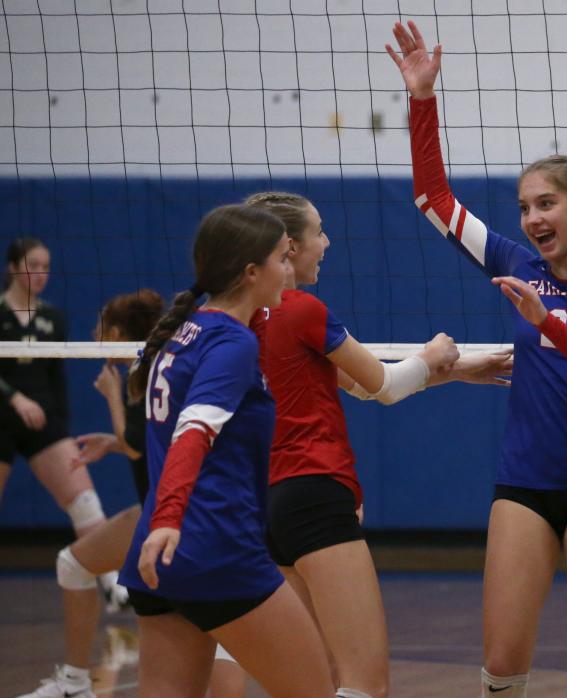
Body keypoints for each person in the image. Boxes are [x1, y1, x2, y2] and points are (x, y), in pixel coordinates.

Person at [390, 21, 567, 697]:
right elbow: (433, 201)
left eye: (548, 203)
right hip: (524, 484)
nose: (533, 217)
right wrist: (422, 99)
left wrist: (548, 325)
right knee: (501, 664)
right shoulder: (515, 262)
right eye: (526, 206)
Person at [245, 190, 507, 698]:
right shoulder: (303, 310)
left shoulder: (241, 317)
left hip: (271, 504)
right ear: (289, 248)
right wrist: (433, 353)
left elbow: (363, 383)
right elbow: (385, 388)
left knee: (315, 683)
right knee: (365, 685)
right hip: (317, 494)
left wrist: (460, 371)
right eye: (318, 232)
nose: (327, 242)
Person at [117, 204, 336, 697]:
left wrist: (165, 522)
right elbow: (193, 431)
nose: (291, 266)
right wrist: (173, 516)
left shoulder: (186, 330)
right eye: (283, 257)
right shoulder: (230, 344)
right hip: (213, 547)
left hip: (158, 552)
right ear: (251, 271)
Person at [17, 290, 164, 698]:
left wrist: (112, 398)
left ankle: (75, 684)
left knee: (74, 565)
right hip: (163, 506)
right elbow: (149, 440)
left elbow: (136, 442)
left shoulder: (139, 372)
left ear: (117, 333)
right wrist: (111, 443)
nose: (93, 335)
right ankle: (74, 684)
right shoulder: (154, 365)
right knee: (76, 565)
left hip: (166, 511)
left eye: (99, 328)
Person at [0, 238, 109, 538]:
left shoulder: (54, 318)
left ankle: (113, 584)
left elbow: (56, 376)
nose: (39, 274)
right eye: (31, 266)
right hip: (2, 416)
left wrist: (62, 429)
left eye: (45, 267)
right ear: (12, 268)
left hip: (43, 419)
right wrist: (15, 398)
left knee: (86, 503)